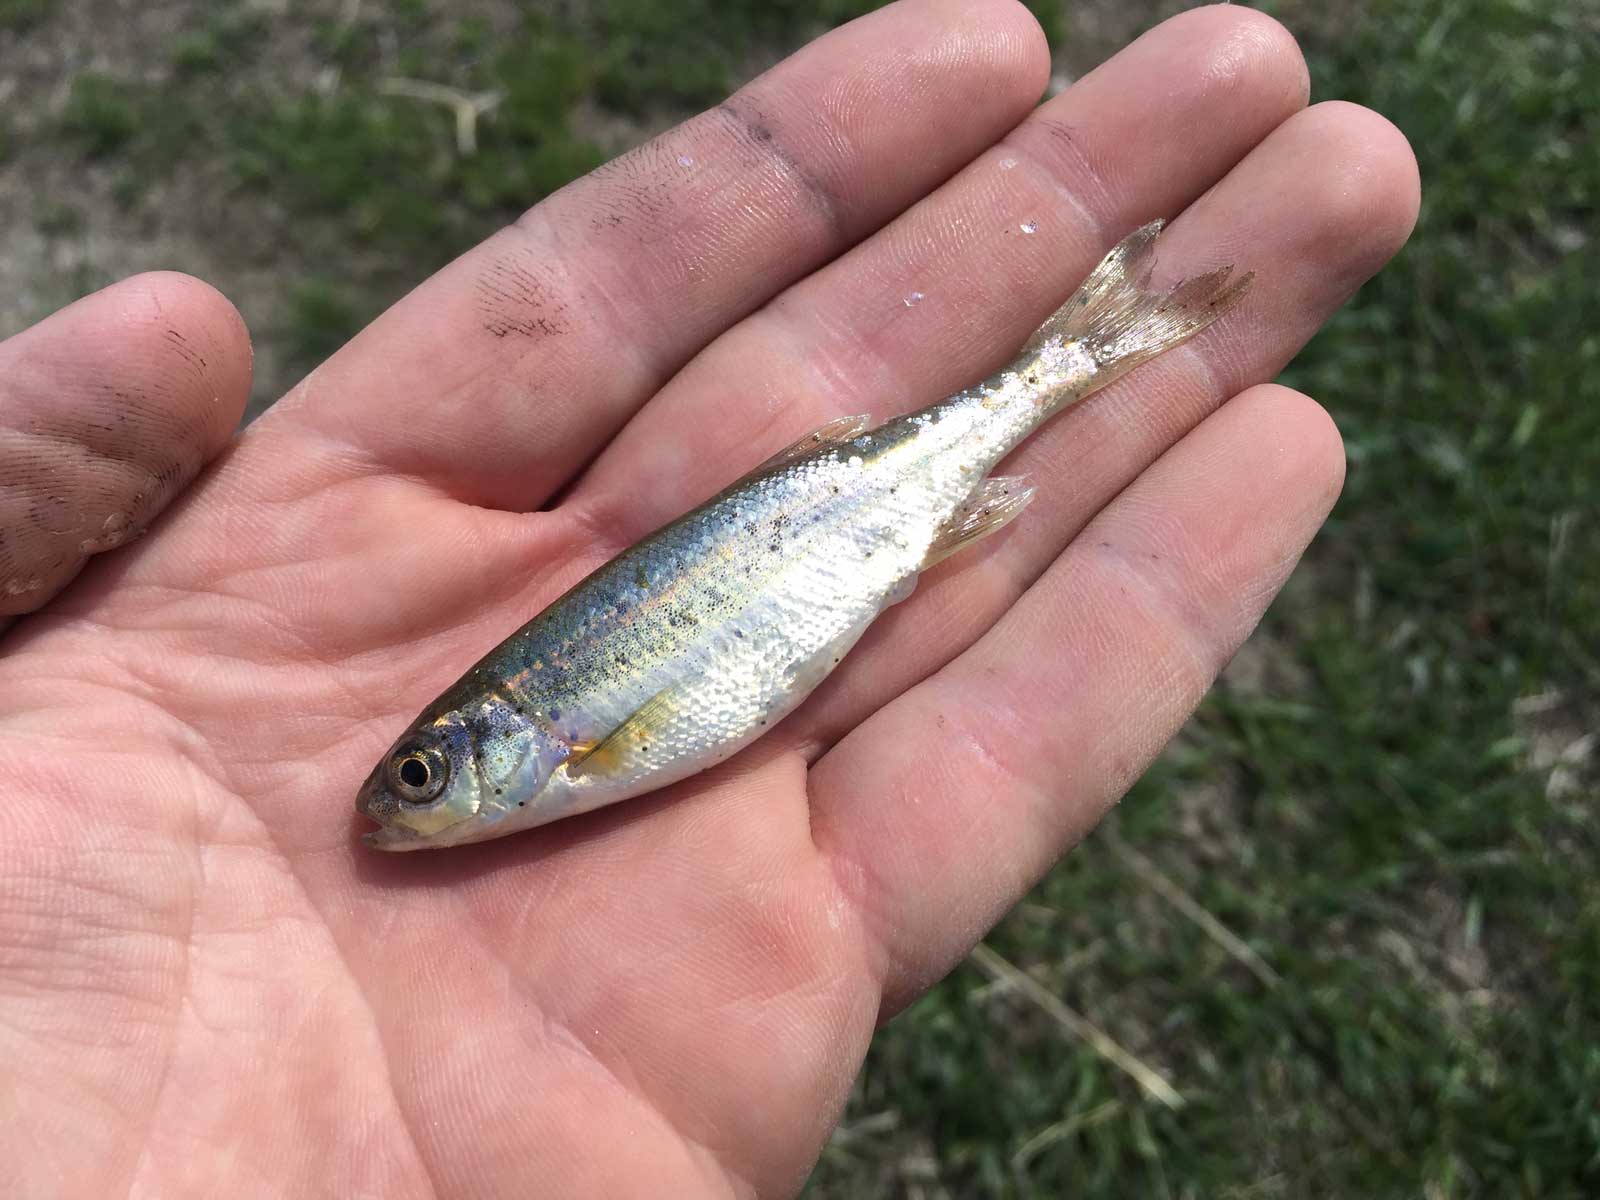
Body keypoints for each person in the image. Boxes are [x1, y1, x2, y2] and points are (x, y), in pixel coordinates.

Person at [0, 2, 1418, 1194]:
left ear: (498, 740)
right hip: (846, 527)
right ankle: (1085, 347)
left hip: (851, 515)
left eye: (427, 768)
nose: (407, 800)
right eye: (419, 772)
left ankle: (1077, 352)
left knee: (1008, 431)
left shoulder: (556, 750)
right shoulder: (548, 764)